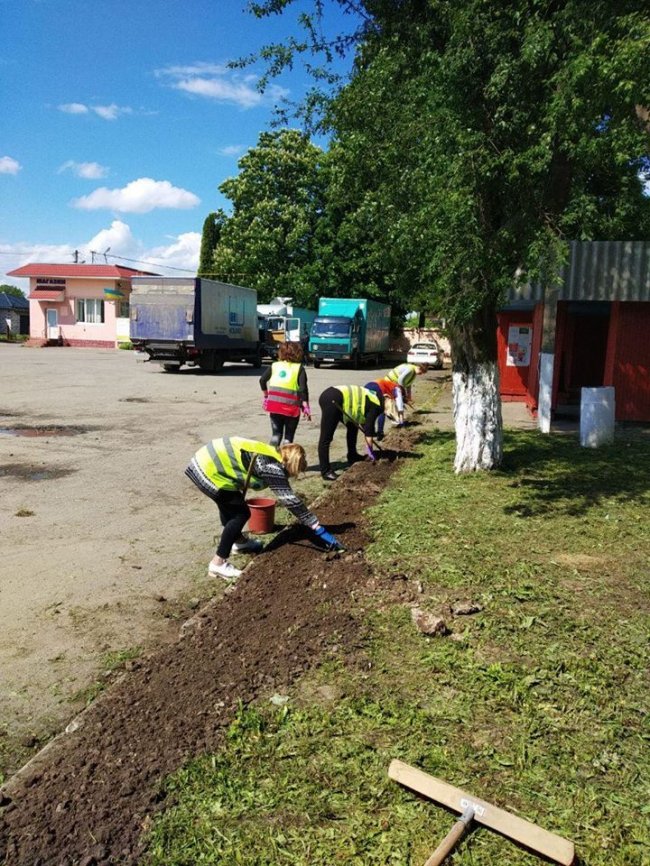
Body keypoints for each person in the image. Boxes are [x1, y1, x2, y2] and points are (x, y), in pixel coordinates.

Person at [186, 436, 343, 579]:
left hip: (206, 461)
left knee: (231, 504)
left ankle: (239, 542)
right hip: (208, 470)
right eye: (295, 471)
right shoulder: (272, 466)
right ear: (292, 464)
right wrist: (315, 525)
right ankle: (218, 563)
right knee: (239, 514)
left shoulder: (272, 452)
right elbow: (290, 500)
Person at [318, 385, 383, 481]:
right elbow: (369, 431)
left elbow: (365, 422)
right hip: (332, 399)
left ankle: (352, 455)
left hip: (339, 398)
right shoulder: (377, 406)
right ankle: (325, 471)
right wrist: (371, 453)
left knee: (353, 426)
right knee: (326, 437)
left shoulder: (376, 397)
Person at [259, 342, 310, 446]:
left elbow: (262, 380)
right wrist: (306, 407)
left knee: (276, 435)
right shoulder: (299, 368)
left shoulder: (274, 366)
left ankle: (271, 460)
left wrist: (266, 396)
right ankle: (286, 460)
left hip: (274, 406)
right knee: (288, 438)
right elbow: (303, 389)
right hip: (291, 408)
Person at [364, 375, 405, 440]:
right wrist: (402, 422)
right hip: (377, 387)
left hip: (367, 386)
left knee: (370, 410)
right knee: (382, 411)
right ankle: (380, 432)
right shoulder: (397, 389)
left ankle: (371, 431)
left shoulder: (390, 386)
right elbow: (400, 407)